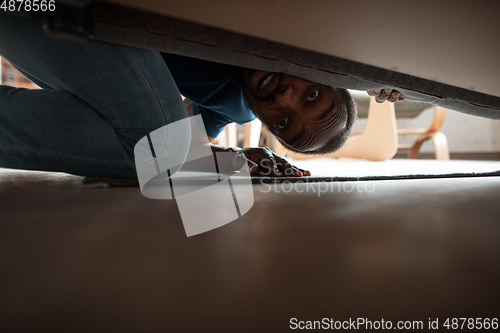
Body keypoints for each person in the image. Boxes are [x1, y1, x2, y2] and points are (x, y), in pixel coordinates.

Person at [0, 14, 401, 179]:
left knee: (158, 154)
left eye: (282, 122)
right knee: (157, 154)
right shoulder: (287, 24)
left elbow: (182, 138)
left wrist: (237, 161)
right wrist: (370, 67)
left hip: (48, 30)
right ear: (328, 73)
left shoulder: (236, 106)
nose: (284, 100)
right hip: (86, 15)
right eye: (311, 94)